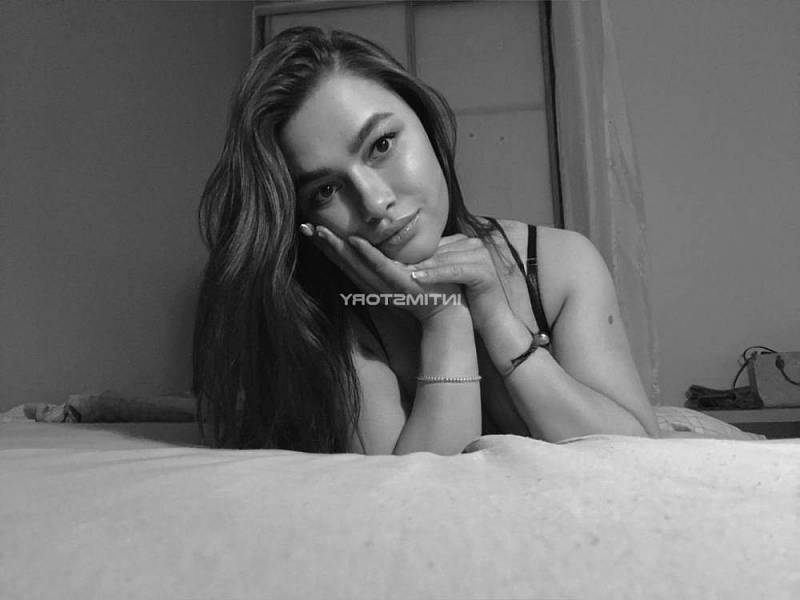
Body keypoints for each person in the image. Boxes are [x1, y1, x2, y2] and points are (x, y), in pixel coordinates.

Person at [192, 26, 660, 455]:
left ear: (425, 123)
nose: (374, 202)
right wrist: (444, 320)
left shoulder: (559, 264)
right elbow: (417, 497)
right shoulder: (330, 315)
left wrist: (500, 323)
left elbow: (635, 453)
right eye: (326, 190)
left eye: (381, 145)